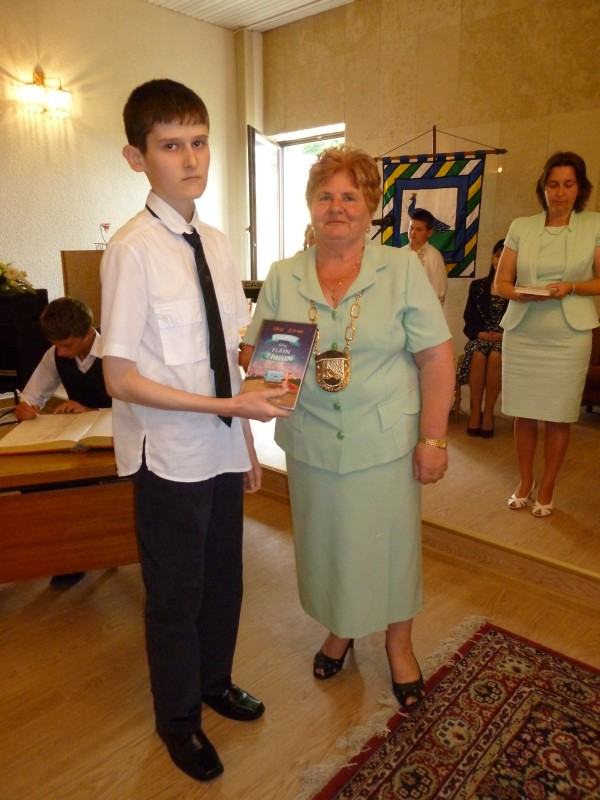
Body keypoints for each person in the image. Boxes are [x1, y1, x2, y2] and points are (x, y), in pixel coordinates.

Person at [99, 79, 290, 783]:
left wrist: (243, 437)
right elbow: (120, 377)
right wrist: (228, 412)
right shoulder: (131, 249)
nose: (190, 159)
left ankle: (214, 683)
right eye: (170, 145)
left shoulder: (215, 242)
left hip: (218, 444)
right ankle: (177, 719)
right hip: (168, 455)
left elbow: (229, 352)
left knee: (224, 581)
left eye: (199, 142)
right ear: (137, 157)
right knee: (176, 594)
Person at [240, 145, 454, 710]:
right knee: (328, 544)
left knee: (391, 547)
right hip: (311, 440)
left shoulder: (401, 270)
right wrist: (266, 361)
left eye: (349, 197)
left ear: (371, 207)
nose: (336, 207)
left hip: (385, 440)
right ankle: (340, 629)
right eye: (325, 196)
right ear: (310, 205)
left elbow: (437, 358)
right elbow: (253, 352)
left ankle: (399, 644)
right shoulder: (283, 275)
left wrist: (433, 439)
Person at [494, 151, 600, 517]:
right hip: (524, 331)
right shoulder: (521, 226)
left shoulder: (594, 224)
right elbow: (501, 283)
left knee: (558, 414)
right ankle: (525, 481)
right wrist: (520, 293)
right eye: (553, 185)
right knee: (523, 413)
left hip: (569, 336)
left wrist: (572, 286)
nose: (559, 192)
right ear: (543, 188)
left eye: (568, 184)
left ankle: (548, 486)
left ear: (580, 188)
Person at [15, 296, 111, 588]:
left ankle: (86, 550)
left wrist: (91, 410)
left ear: (89, 333)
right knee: (40, 480)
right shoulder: (56, 354)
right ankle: (64, 555)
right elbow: (32, 395)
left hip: (115, 435)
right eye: (57, 345)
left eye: (68, 345)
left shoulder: (114, 351)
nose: (62, 352)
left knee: (76, 484)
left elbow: (137, 405)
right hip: (79, 437)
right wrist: (25, 407)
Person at [457, 239, 509, 437]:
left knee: (495, 356)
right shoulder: (477, 286)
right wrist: (478, 333)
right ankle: (475, 412)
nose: (500, 260)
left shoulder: (517, 290)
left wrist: (503, 336)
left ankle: (488, 413)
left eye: (505, 257)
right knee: (478, 353)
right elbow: (468, 318)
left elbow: (522, 322)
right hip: (480, 337)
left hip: (505, 340)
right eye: (497, 255)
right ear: (492, 258)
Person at [402, 208, 448, 306]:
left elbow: (440, 290)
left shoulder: (434, 256)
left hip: (424, 310)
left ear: (429, 233)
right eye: (411, 228)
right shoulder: (400, 253)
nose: (413, 232)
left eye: (419, 230)